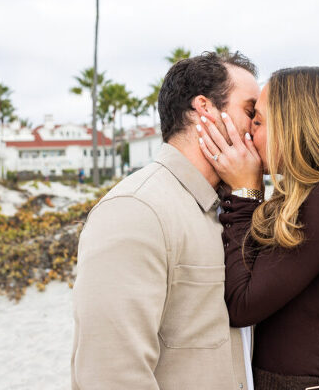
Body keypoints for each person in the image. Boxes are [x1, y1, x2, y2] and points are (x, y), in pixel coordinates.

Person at [71, 51, 260, 389]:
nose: (258, 128)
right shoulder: (137, 210)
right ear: (205, 109)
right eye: (250, 112)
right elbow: (110, 374)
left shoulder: (231, 210)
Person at [197, 66, 319, 389]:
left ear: (295, 125)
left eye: (258, 121)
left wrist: (245, 192)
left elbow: (242, 303)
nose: (249, 134)